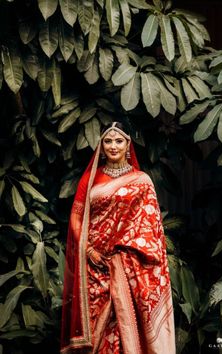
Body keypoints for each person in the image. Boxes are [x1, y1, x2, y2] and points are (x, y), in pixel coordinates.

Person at [60, 122, 176, 354]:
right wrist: (90, 250)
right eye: (108, 141)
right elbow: (76, 217)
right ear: (101, 147)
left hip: (131, 266)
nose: (113, 146)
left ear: (128, 145)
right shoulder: (90, 179)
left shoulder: (141, 181)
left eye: (119, 141)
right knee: (98, 330)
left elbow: (151, 227)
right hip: (96, 267)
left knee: (129, 322)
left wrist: (126, 253)